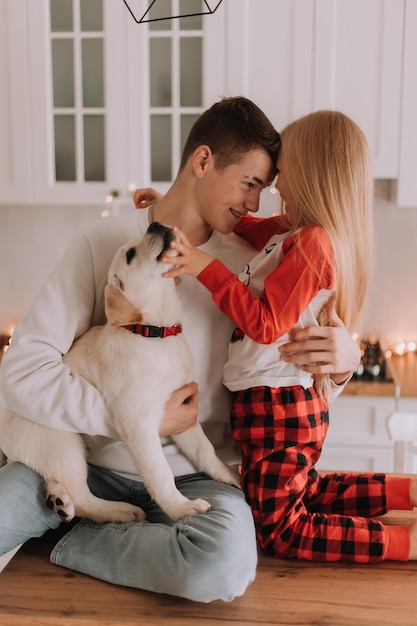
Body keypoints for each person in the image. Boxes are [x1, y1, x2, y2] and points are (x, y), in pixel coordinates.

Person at [0, 97, 360, 602]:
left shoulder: (258, 263)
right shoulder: (104, 241)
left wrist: (343, 367)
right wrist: (134, 421)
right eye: (250, 184)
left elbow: (285, 386)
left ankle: (73, 533)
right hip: (84, 459)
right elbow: (20, 371)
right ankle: (80, 507)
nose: (256, 206)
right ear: (203, 161)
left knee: (222, 568)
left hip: (200, 477)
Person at [158, 110, 417, 563]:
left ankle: (404, 544)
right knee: (308, 490)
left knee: (280, 531)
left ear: (312, 175)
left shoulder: (314, 243)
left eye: (283, 175)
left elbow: (265, 324)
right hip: (270, 403)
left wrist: (204, 268)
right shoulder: (290, 234)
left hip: (278, 405)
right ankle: (408, 491)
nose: (274, 189)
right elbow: (234, 222)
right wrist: (166, 207)